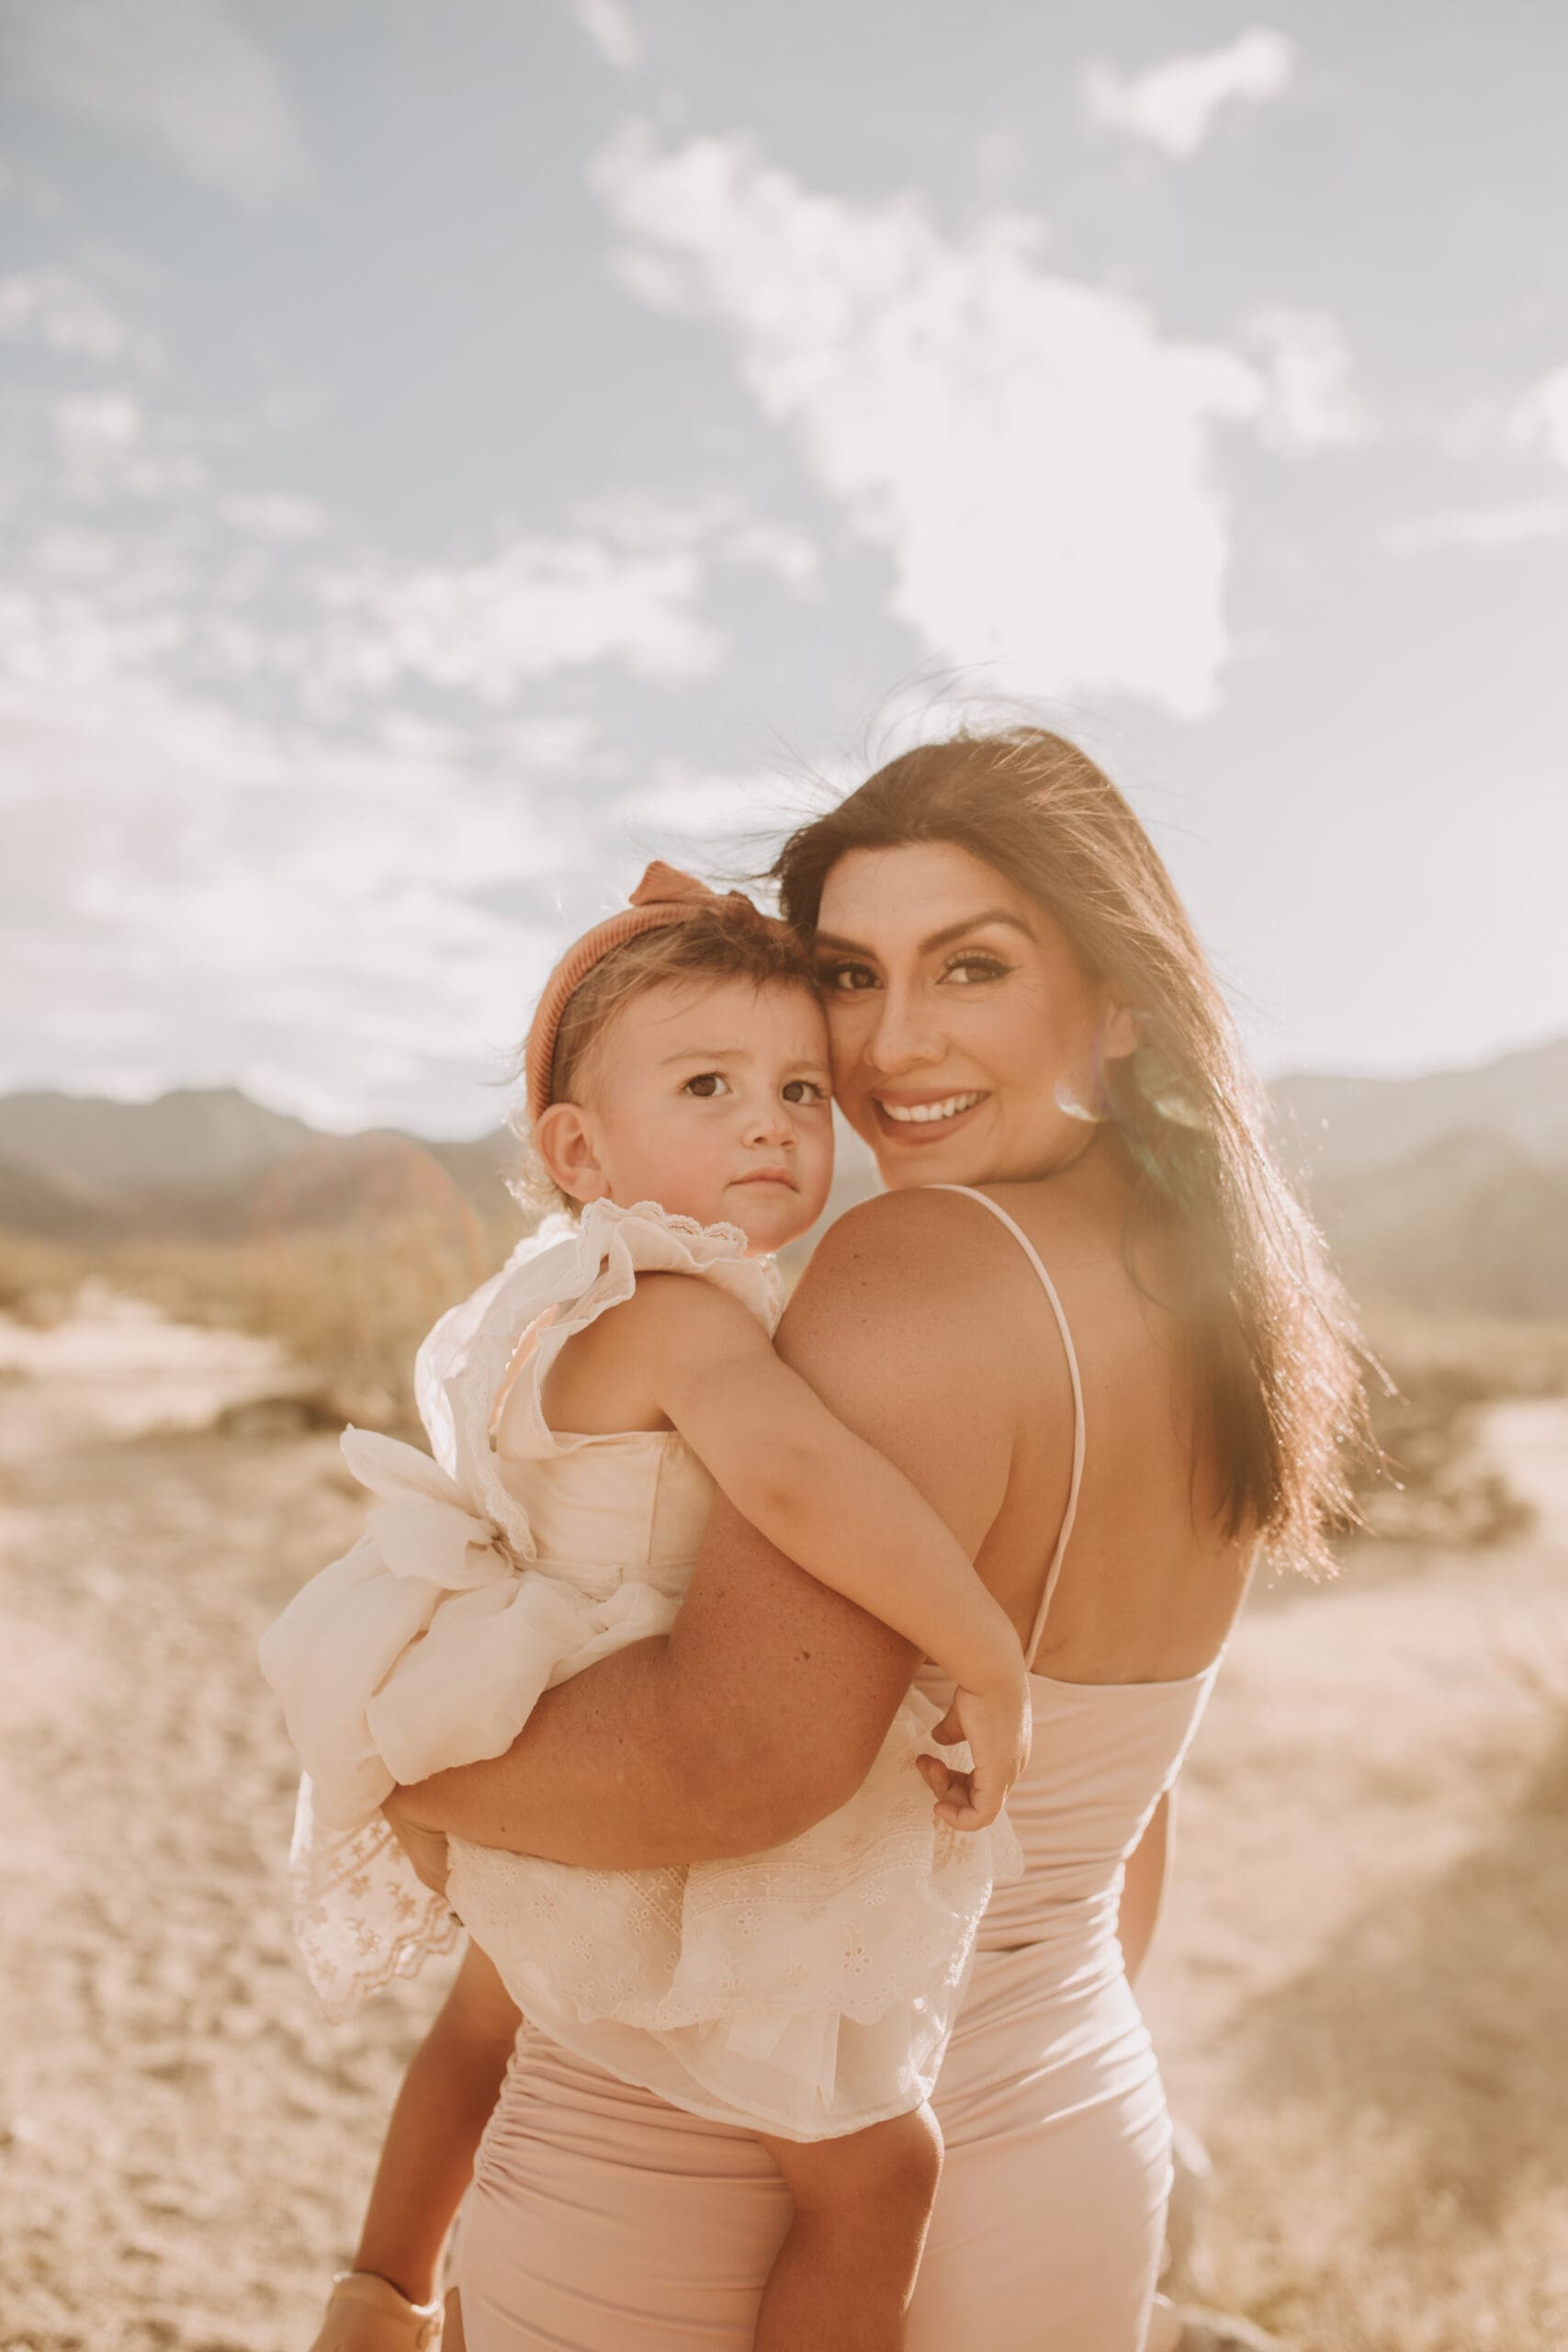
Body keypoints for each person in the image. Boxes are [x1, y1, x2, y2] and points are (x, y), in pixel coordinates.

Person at [383, 727, 1366, 2352]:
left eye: (968, 968)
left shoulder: (918, 1266)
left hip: (701, 2177)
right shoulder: (1216, 1299)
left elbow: (735, 1762)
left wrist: (394, 1762)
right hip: (1063, 2128)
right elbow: (1129, 1836)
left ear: (1115, 998)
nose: (890, 1046)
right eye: (848, 976)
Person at [265, 865, 1031, 2352]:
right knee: (878, 2175)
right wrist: (982, 1651)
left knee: (488, 2014)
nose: (771, 1121)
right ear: (576, 1143)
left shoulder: (549, 1301)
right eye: (709, 1083)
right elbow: (804, 1484)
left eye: (804, 1091)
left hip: (552, 1719)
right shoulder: (676, 1310)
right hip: (653, 1765)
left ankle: (385, 2288)